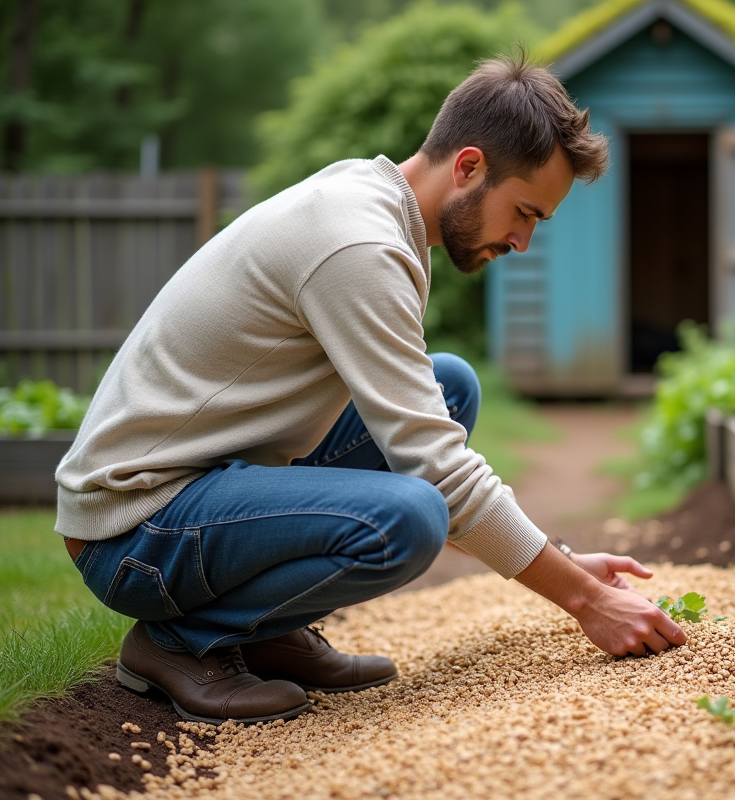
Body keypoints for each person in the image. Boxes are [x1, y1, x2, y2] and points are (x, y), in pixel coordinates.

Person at [54, 53, 687, 726]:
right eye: (524, 212)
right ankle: (181, 641)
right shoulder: (360, 245)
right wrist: (586, 599)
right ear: (469, 166)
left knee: (450, 388)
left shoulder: (374, 203)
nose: (524, 241)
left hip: (202, 488)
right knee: (410, 517)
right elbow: (435, 469)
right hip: (134, 527)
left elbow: (423, 438)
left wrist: (556, 558)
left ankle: (261, 633)